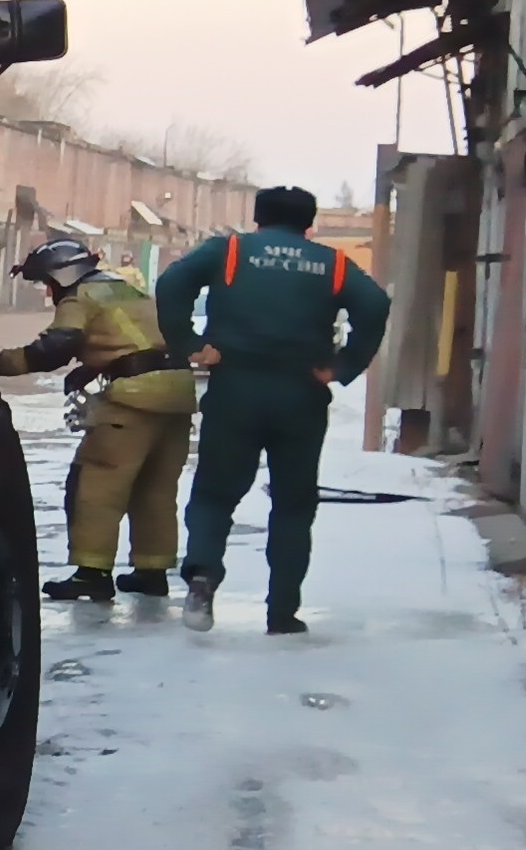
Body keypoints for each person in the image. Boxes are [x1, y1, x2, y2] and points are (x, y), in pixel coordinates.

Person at [156, 187, 390, 635]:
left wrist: (188, 344)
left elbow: (171, 283)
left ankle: (203, 578)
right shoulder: (333, 263)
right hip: (300, 394)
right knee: (293, 504)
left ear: (258, 218)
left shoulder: (228, 251)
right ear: (309, 222)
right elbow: (375, 304)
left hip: (234, 387)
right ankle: (282, 612)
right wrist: (343, 366)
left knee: (215, 493)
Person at [0, 236, 198, 601]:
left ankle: (92, 573)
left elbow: (52, 350)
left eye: (47, 283)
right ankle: (152, 571)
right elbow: (134, 340)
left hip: (134, 398)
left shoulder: (80, 296)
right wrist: (90, 367)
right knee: (155, 488)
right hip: (177, 392)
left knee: (95, 485)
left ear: (61, 275)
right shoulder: (123, 288)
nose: (48, 292)